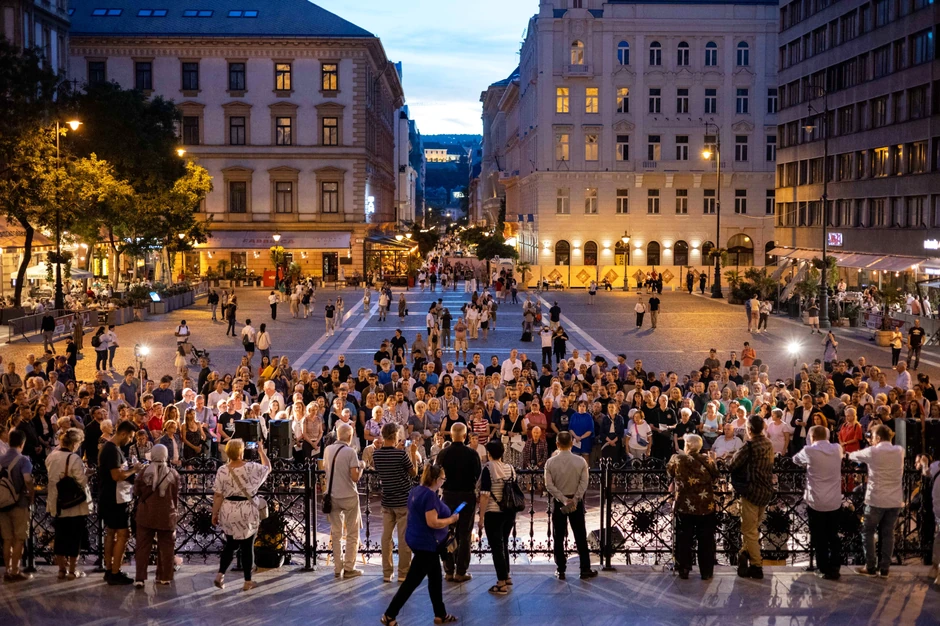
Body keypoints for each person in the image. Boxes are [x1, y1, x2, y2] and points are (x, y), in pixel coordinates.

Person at [380, 464, 460, 626]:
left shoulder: (416, 491)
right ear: (436, 479)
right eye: (443, 479)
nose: (443, 481)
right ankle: (389, 615)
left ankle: (440, 614)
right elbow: (432, 522)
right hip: (427, 544)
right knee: (411, 582)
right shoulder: (430, 496)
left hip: (418, 540)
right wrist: (451, 520)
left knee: (435, 578)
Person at [212, 438, 271, 590]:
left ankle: (220, 574)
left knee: (230, 545)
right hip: (247, 509)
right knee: (247, 546)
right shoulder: (251, 467)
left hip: (228, 509)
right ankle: (247, 580)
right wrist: (261, 451)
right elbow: (267, 468)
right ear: (241, 452)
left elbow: (218, 495)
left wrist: (214, 513)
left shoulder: (222, 470)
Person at [848, 424, 905, 577]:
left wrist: (869, 446)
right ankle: (885, 568)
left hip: (876, 499)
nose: (871, 440)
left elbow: (852, 455)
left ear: (878, 438)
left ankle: (870, 566)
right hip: (894, 499)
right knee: (888, 533)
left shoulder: (872, 451)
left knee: (867, 531)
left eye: (872, 437)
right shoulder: (899, 450)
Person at [793, 425, 844, 580]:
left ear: (812, 437)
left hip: (816, 501)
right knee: (833, 535)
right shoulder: (837, 448)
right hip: (834, 500)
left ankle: (823, 568)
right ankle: (835, 566)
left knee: (819, 537)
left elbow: (795, 459)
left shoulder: (809, 450)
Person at [544, 432, 596, 580]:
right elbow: (584, 483)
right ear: (572, 444)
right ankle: (585, 569)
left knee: (559, 536)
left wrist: (563, 499)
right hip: (575, 501)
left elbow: (549, 485)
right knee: (580, 535)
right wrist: (575, 498)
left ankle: (561, 569)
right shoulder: (580, 461)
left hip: (559, 502)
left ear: (557, 444)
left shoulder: (550, 462)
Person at [729, 414, 775, 579]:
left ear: (749, 429)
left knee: (749, 530)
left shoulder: (749, 446)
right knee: (754, 528)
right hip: (766, 490)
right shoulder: (769, 443)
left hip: (751, 491)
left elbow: (733, 464)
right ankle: (744, 553)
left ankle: (756, 565)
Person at [667, 433, 718, 580]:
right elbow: (716, 475)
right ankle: (706, 571)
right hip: (705, 505)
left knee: (684, 538)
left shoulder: (677, 459)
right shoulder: (707, 459)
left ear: (687, 446)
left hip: (685, 504)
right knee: (706, 539)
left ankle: (684, 568)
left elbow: (669, 472)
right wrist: (713, 460)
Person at [373, 423, 419, 583]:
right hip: (403, 500)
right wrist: (412, 453)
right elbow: (413, 473)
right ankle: (403, 572)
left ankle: (387, 572)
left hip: (387, 499)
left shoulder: (377, 455)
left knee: (386, 537)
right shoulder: (401, 455)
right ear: (395, 436)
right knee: (404, 537)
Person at [98, 420, 143, 585]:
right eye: (130, 437)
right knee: (123, 534)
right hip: (116, 499)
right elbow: (116, 475)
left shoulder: (110, 448)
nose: (130, 440)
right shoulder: (112, 450)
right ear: (123, 433)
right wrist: (134, 470)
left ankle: (110, 569)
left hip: (109, 497)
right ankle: (115, 571)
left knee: (111, 532)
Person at [436, 423, 481, 582]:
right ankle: (461, 571)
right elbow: (478, 474)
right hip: (466, 499)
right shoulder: (472, 453)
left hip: (448, 498)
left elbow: (437, 473)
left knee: (447, 532)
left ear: (451, 435)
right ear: (465, 436)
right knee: (464, 533)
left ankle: (448, 570)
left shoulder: (443, 453)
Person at [46, 428, 90, 580]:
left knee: (60, 537)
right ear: (74, 443)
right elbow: (81, 481)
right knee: (74, 538)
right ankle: (72, 571)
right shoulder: (74, 458)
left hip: (56, 502)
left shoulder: (51, 456)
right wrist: (87, 474)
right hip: (73, 504)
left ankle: (61, 570)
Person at [134, 443, 180, 587]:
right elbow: (175, 495)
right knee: (166, 547)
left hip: (146, 514)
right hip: (166, 514)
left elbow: (136, 491)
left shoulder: (144, 472)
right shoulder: (173, 473)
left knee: (142, 547)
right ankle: (164, 577)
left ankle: (140, 578)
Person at [323, 423, 364, 578]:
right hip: (349, 496)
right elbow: (355, 477)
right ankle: (349, 568)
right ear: (350, 436)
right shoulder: (350, 452)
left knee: (336, 533)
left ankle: (337, 568)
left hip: (332, 495)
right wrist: (362, 467)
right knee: (352, 533)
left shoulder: (327, 450)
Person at [478, 439, 516, 595]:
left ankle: (501, 583)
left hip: (493, 512)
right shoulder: (510, 468)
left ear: (489, 454)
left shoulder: (488, 469)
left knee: (496, 547)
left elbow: (485, 494)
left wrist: (481, 517)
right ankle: (506, 575)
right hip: (509, 512)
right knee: (504, 543)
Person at [0, 430, 34, 582]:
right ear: (22, 443)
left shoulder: (1, 459)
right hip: (19, 503)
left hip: (2, 504)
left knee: (7, 539)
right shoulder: (23, 460)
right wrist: (31, 494)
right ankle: (15, 570)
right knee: (19, 539)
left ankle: (7, 571)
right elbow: (27, 479)